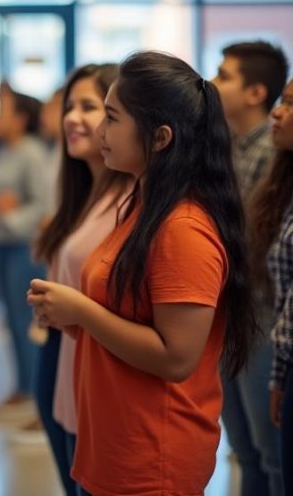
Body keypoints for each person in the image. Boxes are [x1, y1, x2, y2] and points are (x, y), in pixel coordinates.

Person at [28, 51, 257, 495]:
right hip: (114, 444)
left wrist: (82, 311)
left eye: (111, 118)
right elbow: (129, 326)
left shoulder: (184, 228)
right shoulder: (144, 208)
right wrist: (70, 319)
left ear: (160, 137)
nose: (98, 130)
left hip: (152, 455)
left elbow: (176, 357)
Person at [32, 64, 131, 496]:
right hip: (63, 362)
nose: (72, 117)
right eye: (69, 106)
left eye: (90, 107)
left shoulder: (131, 199)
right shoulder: (82, 193)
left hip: (94, 373)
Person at [212, 40, 289, 496]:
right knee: (245, 449)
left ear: (255, 92)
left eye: (225, 76)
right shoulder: (236, 145)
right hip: (236, 313)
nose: (214, 83)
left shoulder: (273, 153)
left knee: (269, 452)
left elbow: (251, 245)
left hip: (261, 317)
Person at [0, 91, 51, 417]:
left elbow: (43, 205)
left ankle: (32, 394)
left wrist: (11, 217)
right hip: (0, 246)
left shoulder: (32, 153)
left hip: (23, 247)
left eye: (4, 111)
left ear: (21, 118)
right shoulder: (1, 153)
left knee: (25, 321)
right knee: (10, 319)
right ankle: (22, 388)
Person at [258, 80, 293, 486]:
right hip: (285, 359)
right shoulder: (285, 183)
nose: (277, 112)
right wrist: (280, 377)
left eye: (290, 104)